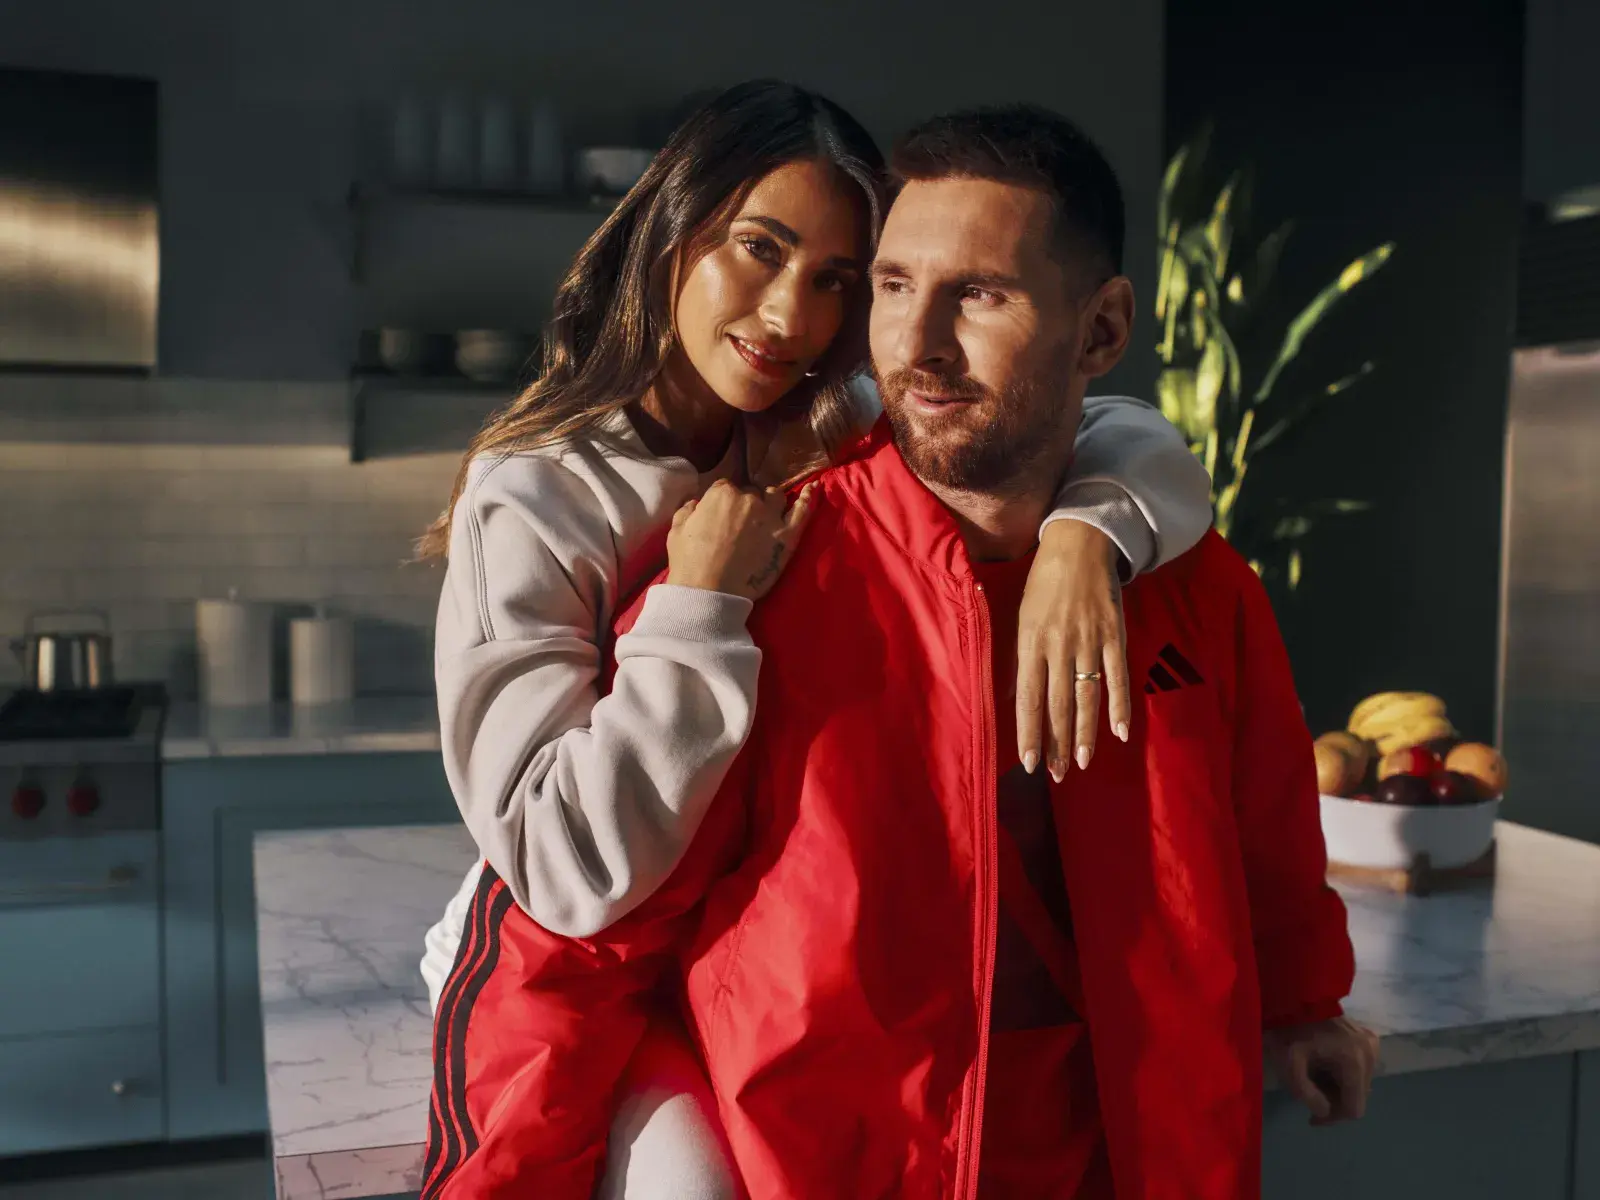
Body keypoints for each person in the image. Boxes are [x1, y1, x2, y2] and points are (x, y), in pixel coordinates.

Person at [422, 101, 1378, 1200]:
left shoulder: (1191, 586)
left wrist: (1303, 999)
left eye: (980, 294)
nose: (917, 345)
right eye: (891, 286)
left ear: (1103, 331)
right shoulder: (742, 580)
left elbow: (1264, 825)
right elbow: (581, 937)